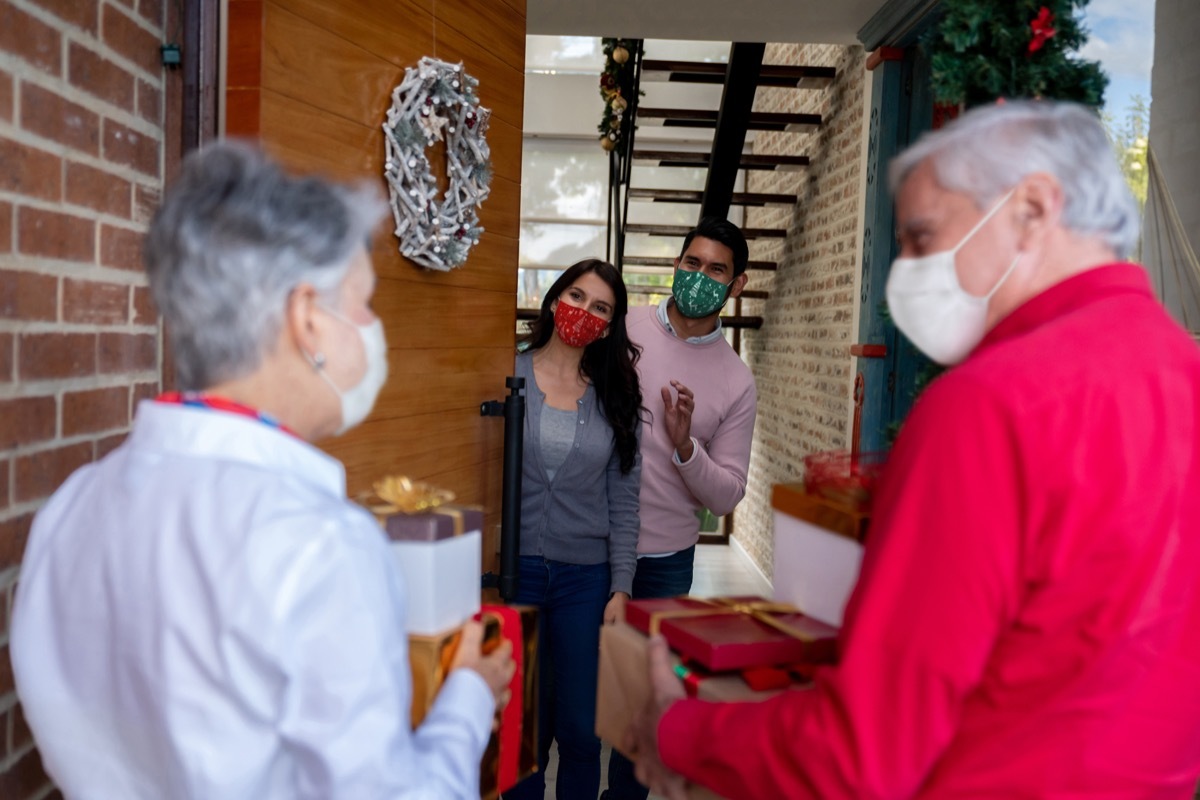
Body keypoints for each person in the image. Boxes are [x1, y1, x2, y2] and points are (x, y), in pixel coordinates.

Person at [626, 99, 1200, 799]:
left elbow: (859, 755)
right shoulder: (1183, 373)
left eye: (924, 237)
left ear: (1033, 208)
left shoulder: (990, 404)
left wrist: (679, 732)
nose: (909, 271)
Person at [10, 142, 514, 800]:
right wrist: (469, 700)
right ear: (307, 318)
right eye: (363, 302)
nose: (371, 328)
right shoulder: (319, 541)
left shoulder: (74, 504)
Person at [603, 217, 757, 800]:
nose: (699, 277)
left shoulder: (735, 381)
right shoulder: (625, 325)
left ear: (736, 285)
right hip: (589, 543)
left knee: (636, 707)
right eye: (692, 263)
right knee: (574, 687)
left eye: (716, 270)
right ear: (676, 264)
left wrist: (686, 444)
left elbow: (726, 495)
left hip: (662, 562)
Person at [503, 259, 643, 800]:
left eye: (600, 308)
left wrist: (622, 586)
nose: (584, 312)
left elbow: (624, 502)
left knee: (584, 731)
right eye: (577, 296)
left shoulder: (615, 398)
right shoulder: (507, 370)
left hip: (586, 580)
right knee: (521, 730)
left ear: (608, 326)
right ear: (555, 298)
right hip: (516, 576)